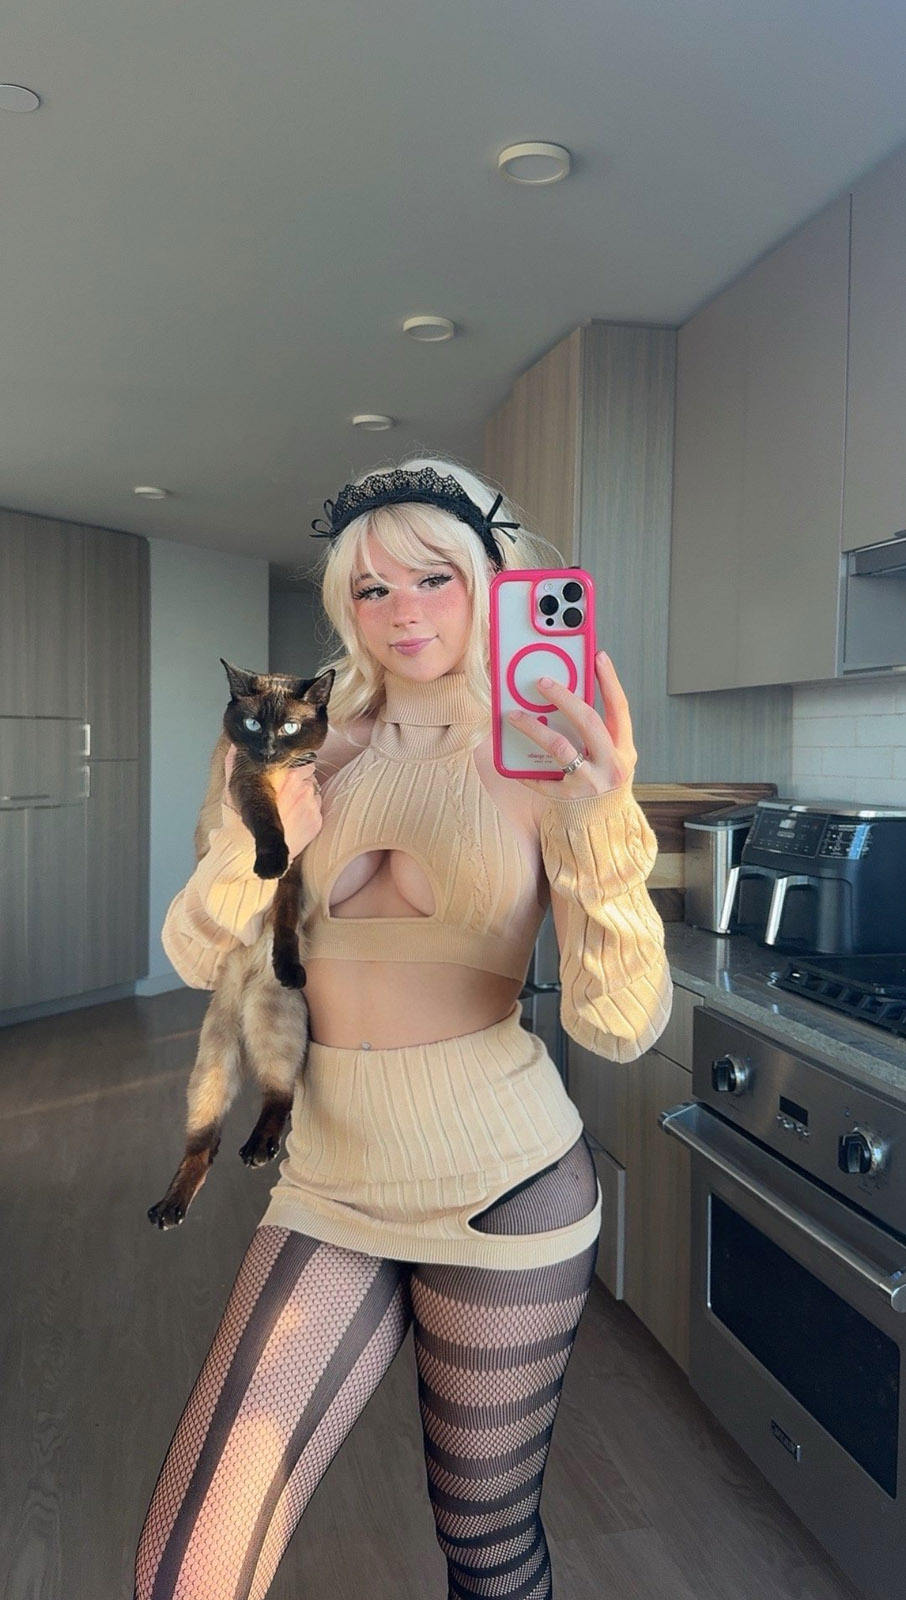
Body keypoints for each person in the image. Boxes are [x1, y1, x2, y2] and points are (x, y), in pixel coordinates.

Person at [134, 456, 672, 1600]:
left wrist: (600, 824)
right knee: (185, 1572)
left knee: (488, 1550)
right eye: (372, 588)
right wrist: (260, 844)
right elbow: (192, 956)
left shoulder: (545, 755)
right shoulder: (293, 743)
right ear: (345, 603)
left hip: (505, 1184)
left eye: (435, 577)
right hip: (331, 1178)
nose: (403, 611)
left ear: (490, 579)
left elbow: (620, 1025)